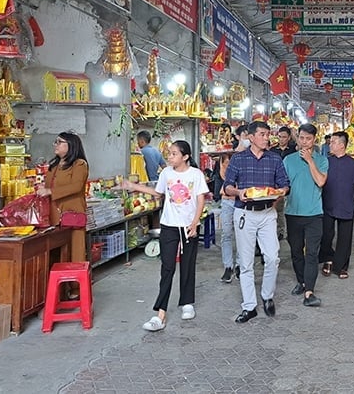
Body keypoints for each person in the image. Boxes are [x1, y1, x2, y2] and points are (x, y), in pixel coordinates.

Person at [122, 141, 208, 331]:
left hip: (189, 227)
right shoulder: (166, 173)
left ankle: (187, 303)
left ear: (185, 156)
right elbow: (158, 193)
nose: (169, 157)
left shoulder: (196, 174)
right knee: (167, 268)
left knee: (188, 265)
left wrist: (194, 223)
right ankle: (160, 313)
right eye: (169, 153)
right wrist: (134, 186)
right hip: (169, 226)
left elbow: (200, 199)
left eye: (174, 154)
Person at [223, 121, 290, 323]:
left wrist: (279, 193)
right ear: (251, 137)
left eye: (268, 134)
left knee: (272, 257)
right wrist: (239, 192)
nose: (266, 138)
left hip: (268, 213)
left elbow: (285, 185)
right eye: (262, 134)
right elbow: (227, 187)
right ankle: (249, 306)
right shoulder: (239, 159)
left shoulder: (275, 159)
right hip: (245, 214)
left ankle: (267, 296)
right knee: (246, 262)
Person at [37, 132, 89, 297]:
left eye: (60, 142)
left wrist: (50, 191)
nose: (56, 145)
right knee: (56, 254)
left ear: (71, 145)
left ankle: (76, 288)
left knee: (76, 252)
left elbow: (76, 186)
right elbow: (47, 187)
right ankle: (58, 291)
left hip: (72, 215)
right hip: (53, 217)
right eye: (56, 142)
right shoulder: (54, 165)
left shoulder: (79, 164)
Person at [282, 123, 328, 307]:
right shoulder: (288, 160)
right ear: (297, 138)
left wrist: (310, 160)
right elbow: (283, 185)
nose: (304, 142)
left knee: (312, 253)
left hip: (314, 213)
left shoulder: (322, 160)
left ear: (314, 140)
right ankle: (302, 282)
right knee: (295, 251)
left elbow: (321, 181)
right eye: (301, 138)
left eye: (308, 139)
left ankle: (309, 292)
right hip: (292, 212)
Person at [319, 131, 354, 278]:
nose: (330, 144)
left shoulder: (353, 164)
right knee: (326, 235)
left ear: (341, 145)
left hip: (346, 205)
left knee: (345, 238)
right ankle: (328, 259)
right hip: (327, 204)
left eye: (333, 142)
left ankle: (340, 266)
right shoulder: (326, 161)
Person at [214, 153, 239, 283]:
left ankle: (240, 265)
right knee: (226, 233)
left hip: (240, 202)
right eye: (225, 164)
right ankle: (228, 266)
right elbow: (221, 182)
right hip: (226, 202)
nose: (227, 167)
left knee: (242, 235)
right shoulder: (220, 171)